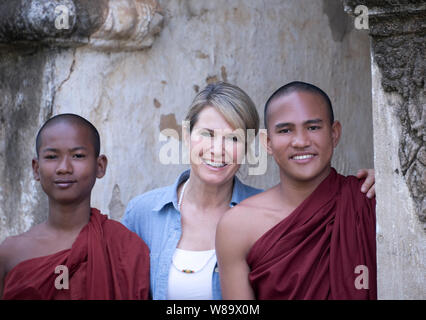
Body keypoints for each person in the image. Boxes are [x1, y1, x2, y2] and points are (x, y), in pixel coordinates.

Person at [122, 82, 376, 300]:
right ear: (187, 136)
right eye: (207, 134)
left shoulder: (270, 217)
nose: (218, 149)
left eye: (233, 138)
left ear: (250, 146)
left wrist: (390, 185)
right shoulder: (144, 213)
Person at [216, 81, 377, 300]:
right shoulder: (237, 226)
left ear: (334, 133)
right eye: (285, 130)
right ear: (268, 142)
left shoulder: (370, 199)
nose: (301, 141)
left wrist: (394, 184)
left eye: (313, 127)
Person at [0, 114, 150, 300]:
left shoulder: (126, 248)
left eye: (78, 156)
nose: (64, 167)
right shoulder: (10, 253)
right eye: (52, 156)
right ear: (36, 168)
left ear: (100, 166)